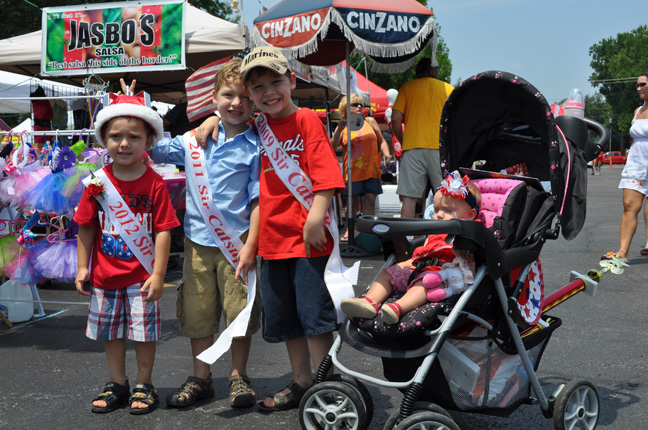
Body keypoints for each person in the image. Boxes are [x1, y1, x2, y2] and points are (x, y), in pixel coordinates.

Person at [197, 46, 347, 412]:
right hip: (272, 240)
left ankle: (329, 381)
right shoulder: (258, 125)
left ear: (291, 80)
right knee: (286, 318)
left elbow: (326, 173)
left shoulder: (308, 118)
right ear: (250, 95)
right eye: (258, 87)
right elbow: (229, 121)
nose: (269, 92)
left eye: (275, 81)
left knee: (314, 317)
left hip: (308, 237)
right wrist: (209, 122)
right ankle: (301, 381)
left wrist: (317, 216)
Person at [150, 58, 263, 409]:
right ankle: (201, 377)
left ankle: (238, 375)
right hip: (198, 243)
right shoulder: (192, 141)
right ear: (213, 98)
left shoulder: (257, 145)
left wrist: (252, 246)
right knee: (198, 312)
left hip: (238, 244)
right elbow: (153, 148)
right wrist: (139, 110)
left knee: (238, 311)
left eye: (245, 97)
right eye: (228, 95)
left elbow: (259, 200)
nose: (236, 104)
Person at [74, 92, 180, 414]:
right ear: (103, 139)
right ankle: (117, 383)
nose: (124, 144)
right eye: (115, 136)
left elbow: (164, 230)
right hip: (105, 276)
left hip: (142, 276)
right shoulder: (97, 183)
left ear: (148, 141)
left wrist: (159, 273)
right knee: (112, 332)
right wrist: (82, 268)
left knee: (144, 333)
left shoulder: (155, 184)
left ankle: (144, 383)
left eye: (134, 137)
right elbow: (86, 226)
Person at [341, 171, 480, 324]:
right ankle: (369, 302)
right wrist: (406, 264)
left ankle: (398, 307)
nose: (439, 215)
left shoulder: (470, 235)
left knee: (423, 285)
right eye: (436, 210)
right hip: (418, 269)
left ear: (470, 215)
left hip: (440, 277)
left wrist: (467, 251)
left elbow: (470, 258)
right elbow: (423, 255)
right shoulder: (434, 232)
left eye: (447, 211)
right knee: (388, 273)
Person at [391, 58, 454, 219]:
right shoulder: (448, 89)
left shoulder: (407, 87)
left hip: (412, 147)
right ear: (435, 71)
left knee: (409, 198)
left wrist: (403, 140)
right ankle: (442, 239)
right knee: (445, 195)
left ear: (417, 71)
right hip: (439, 149)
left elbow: (396, 118)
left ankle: (407, 240)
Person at [331, 93, 392, 240]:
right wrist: (339, 130)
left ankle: (367, 232)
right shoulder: (343, 126)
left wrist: (387, 155)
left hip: (371, 168)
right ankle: (349, 230)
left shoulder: (370, 121)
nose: (360, 107)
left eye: (361, 105)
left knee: (370, 201)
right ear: (346, 107)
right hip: (352, 171)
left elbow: (382, 140)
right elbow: (332, 147)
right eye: (355, 104)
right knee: (351, 202)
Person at [604, 73, 648, 262]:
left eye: (643, 84)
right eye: (637, 85)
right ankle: (622, 253)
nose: (639, 88)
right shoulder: (637, 110)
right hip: (637, 163)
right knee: (629, 205)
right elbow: (634, 138)